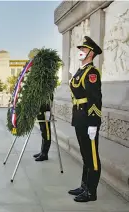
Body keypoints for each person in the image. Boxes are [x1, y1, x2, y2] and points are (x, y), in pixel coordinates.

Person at [68, 36, 103, 202]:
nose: (80, 51)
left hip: (88, 119)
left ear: (91, 53)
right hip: (79, 117)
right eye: (81, 49)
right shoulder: (81, 70)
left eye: (83, 49)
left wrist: (94, 123)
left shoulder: (92, 73)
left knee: (92, 156)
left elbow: (95, 99)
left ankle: (91, 192)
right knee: (85, 154)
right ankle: (84, 185)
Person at [33, 94, 53, 161]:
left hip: (45, 109)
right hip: (41, 108)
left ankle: (45, 154)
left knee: (46, 131)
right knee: (43, 131)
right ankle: (42, 151)